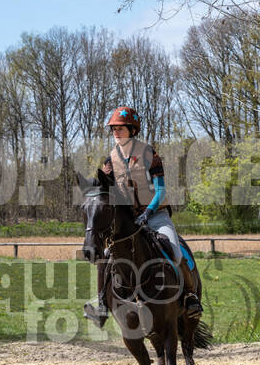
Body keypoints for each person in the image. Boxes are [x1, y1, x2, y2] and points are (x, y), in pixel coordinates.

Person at [83, 106, 203, 327]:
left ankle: (190, 296)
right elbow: (105, 191)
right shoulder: (109, 161)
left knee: (175, 250)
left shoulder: (149, 154)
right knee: (106, 257)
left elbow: (160, 191)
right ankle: (101, 304)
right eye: (113, 129)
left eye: (120, 128)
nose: (116, 133)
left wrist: (148, 212)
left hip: (155, 215)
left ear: (132, 129)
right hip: (130, 222)